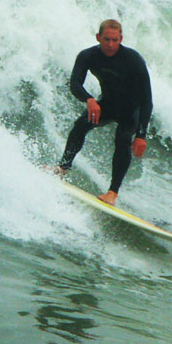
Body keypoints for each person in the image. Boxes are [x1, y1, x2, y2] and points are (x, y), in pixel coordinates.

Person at [55, 19, 152, 205]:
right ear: (98, 37)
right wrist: (89, 99)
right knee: (81, 125)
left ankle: (112, 193)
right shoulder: (88, 56)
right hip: (108, 104)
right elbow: (75, 84)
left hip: (132, 110)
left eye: (115, 40)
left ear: (121, 39)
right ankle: (63, 168)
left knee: (123, 137)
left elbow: (147, 100)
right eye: (106, 39)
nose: (110, 44)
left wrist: (141, 134)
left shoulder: (133, 59)